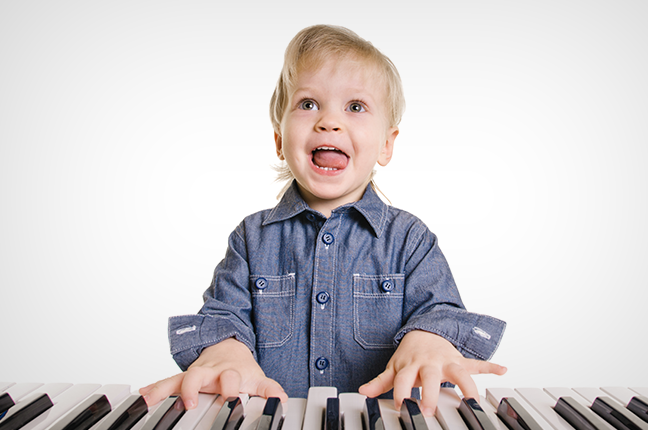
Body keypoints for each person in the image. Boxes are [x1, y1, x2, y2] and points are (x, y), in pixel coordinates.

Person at [140, 24, 507, 417]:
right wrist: (226, 351)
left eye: (355, 107)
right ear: (280, 140)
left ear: (386, 144)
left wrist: (429, 339)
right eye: (309, 104)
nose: (329, 122)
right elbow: (224, 317)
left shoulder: (410, 239)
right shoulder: (250, 238)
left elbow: (440, 313)